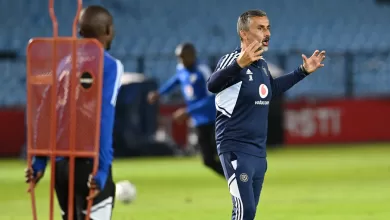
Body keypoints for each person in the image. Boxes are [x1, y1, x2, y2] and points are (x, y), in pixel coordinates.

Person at [207, 10, 326, 220]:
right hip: (235, 148)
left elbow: (270, 88)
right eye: (260, 28)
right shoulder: (232, 60)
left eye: (268, 27)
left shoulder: (261, 64)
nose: (267, 32)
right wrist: (238, 65)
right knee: (245, 211)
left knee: (247, 214)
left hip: (258, 152)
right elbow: (212, 85)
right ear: (244, 34)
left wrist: (302, 71)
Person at [25, 5, 123, 220]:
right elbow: (103, 117)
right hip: (89, 163)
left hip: (60, 168)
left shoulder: (63, 64)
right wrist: (103, 169)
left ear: (79, 32)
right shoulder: (111, 66)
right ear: (108, 31)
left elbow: (44, 112)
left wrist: (39, 161)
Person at [148, 42, 224, 177]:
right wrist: (159, 93)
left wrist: (188, 111)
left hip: (214, 118)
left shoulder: (203, 71)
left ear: (192, 55)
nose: (181, 60)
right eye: (179, 57)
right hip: (200, 121)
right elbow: (175, 80)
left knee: (224, 155)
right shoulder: (181, 69)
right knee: (208, 160)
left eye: (183, 56)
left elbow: (212, 98)